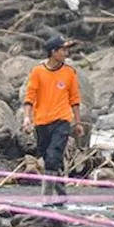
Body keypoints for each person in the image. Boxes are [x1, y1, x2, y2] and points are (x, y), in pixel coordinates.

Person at [22, 34, 84, 205]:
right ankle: (62, 195)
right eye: (63, 50)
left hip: (62, 120)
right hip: (41, 122)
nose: (66, 53)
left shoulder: (70, 72)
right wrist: (27, 118)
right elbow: (30, 97)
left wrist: (77, 123)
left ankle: (46, 198)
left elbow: (75, 99)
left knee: (52, 156)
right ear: (53, 52)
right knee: (48, 159)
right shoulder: (37, 72)